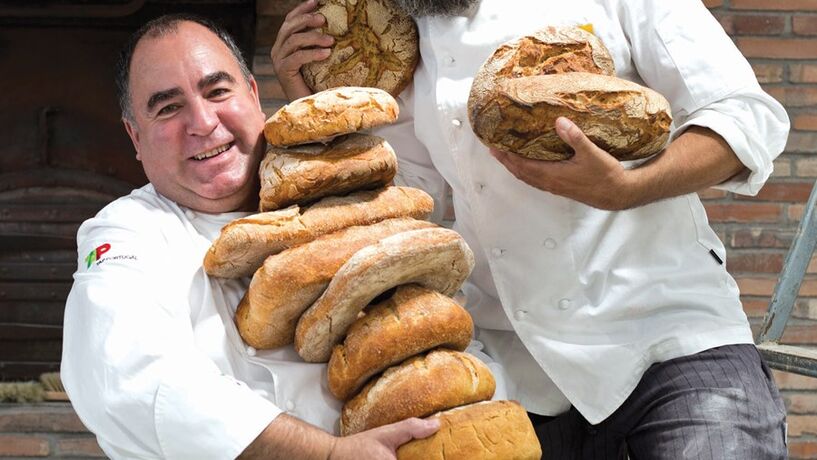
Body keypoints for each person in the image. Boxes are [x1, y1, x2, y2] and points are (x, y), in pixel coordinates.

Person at [273, 0, 791, 458]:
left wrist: (628, 188)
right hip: (518, 370)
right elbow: (405, 198)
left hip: (668, 336)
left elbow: (744, 116)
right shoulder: (407, 36)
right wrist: (315, 103)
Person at [60, 14, 443, 460]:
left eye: (218, 92)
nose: (203, 122)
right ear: (135, 138)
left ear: (254, 96)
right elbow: (129, 379)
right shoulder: (129, 232)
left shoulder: (347, 192)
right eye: (168, 108)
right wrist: (327, 455)